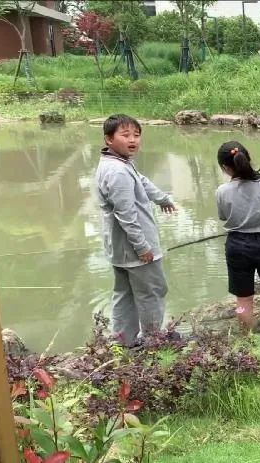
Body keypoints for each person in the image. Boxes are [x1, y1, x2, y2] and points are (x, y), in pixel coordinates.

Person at [94, 114, 176, 347]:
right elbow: (126, 214)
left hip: (119, 249)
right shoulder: (118, 172)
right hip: (135, 250)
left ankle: (123, 342)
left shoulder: (116, 162)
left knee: (125, 294)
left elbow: (142, 181)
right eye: (125, 135)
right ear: (109, 139)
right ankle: (153, 341)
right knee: (153, 292)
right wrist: (142, 247)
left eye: (137, 135)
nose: (133, 140)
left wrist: (162, 199)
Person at [216, 141, 260, 337]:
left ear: (225, 167)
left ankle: (249, 344)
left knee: (244, 299)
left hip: (237, 245)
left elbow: (223, 216)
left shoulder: (222, 191)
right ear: (248, 158)